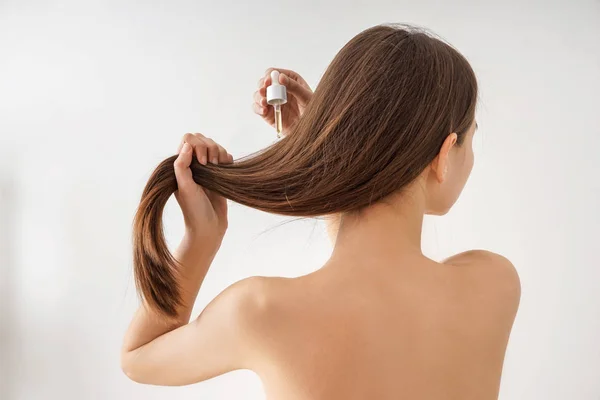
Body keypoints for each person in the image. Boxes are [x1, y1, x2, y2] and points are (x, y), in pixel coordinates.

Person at [121, 24, 521, 400]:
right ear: (444, 154)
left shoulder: (259, 311)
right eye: (471, 141)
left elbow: (138, 358)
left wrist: (201, 241)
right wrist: (334, 155)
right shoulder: (493, 285)